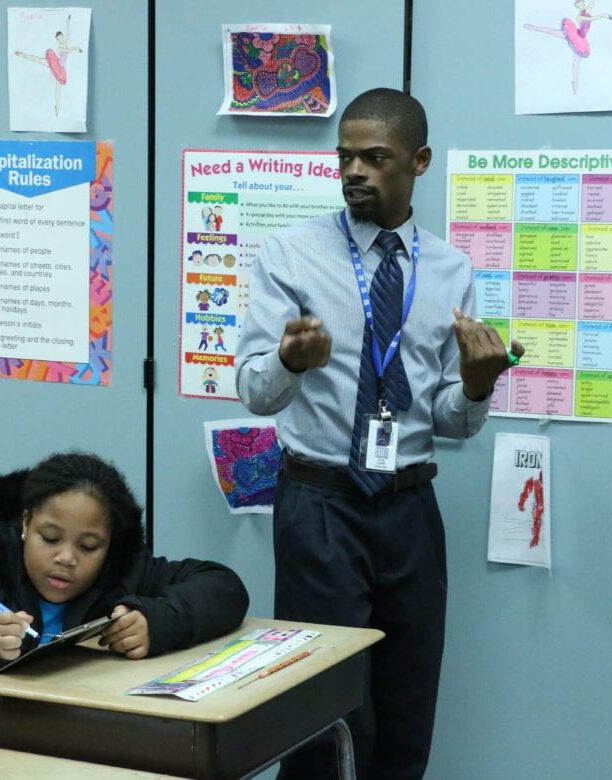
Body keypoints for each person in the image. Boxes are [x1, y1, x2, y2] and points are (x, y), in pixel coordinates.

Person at [235, 87, 523, 780]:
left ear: (418, 161)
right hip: (320, 506)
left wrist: (479, 384)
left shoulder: (450, 268)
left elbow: (449, 420)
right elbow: (253, 390)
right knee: (319, 709)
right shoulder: (290, 254)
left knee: (404, 705)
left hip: (408, 510)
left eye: (374, 157)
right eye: (344, 157)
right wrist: (287, 359)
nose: (353, 171)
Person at [0, 451, 249, 750]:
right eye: (50, 538)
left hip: (87, 744)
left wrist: (158, 620)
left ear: (109, 545)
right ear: (25, 524)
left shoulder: (123, 570)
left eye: (88, 546)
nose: (66, 558)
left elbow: (224, 586)